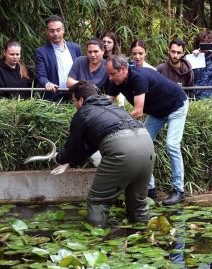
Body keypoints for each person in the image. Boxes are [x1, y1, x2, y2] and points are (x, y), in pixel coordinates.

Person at [52, 80, 155, 227]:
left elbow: (74, 146)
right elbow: (92, 146)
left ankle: (97, 239)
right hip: (147, 146)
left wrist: (59, 158)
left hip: (122, 150)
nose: (74, 105)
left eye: (74, 101)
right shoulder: (114, 108)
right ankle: (145, 236)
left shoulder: (83, 113)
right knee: (138, 203)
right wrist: (70, 163)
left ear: (81, 100)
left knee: (97, 201)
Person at [106, 54, 189, 205]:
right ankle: (150, 189)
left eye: (112, 74)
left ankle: (179, 191)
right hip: (158, 112)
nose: (110, 78)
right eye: (109, 74)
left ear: (123, 69)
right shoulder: (116, 81)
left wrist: (115, 123)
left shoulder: (138, 78)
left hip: (176, 106)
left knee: (171, 144)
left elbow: (137, 113)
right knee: (142, 145)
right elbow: (105, 105)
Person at [35, 15, 82, 101]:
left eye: (58, 30)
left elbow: (81, 71)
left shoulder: (75, 48)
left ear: (63, 30)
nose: (55, 34)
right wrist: (47, 83)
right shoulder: (41, 52)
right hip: (53, 96)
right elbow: (41, 75)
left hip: (74, 95)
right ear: (47, 32)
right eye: (52, 31)